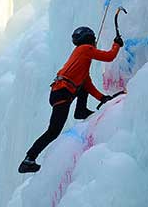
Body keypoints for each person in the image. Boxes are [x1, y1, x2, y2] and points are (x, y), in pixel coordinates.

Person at [18, 26, 123, 173]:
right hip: (63, 92)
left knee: (82, 87)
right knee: (53, 131)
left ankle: (81, 111)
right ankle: (29, 159)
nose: (94, 42)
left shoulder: (81, 61)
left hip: (61, 92)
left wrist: (103, 98)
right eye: (93, 39)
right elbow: (109, 56)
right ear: (89, 39)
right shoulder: (84, 49)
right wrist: (116, 44)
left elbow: (88, 85)